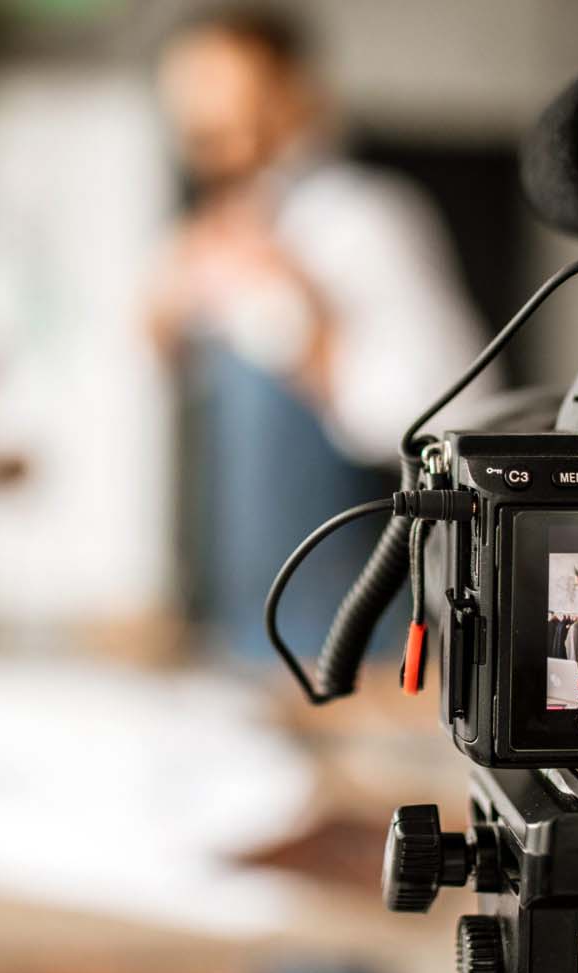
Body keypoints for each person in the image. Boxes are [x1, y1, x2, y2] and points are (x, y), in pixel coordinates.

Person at [148, 6, 490, 658]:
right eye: (195, 113)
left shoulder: (365, 221)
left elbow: (453, 419)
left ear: (294, 95)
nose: (213, 133)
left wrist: (306, 322)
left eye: (234, 104)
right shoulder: (208, 239)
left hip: (352, 629)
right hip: (240, 625)